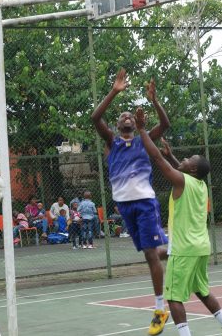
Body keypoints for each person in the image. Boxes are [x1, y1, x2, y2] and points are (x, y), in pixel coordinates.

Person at [134, 108, 222, 336]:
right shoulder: (200, 185)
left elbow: (156, 158)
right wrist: (173, 156)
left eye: (187, 159)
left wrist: (142, 129)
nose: (182, 159)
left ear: (191, 168)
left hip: (184, 250)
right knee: (201, 291)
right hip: (201, 248)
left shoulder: (182, 182)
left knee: (173, 297)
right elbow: (180, 169)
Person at [91, 68, 171, 335]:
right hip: (124, 205)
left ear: (136, 123)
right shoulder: (111, 142)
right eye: (122, 116)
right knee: (154, 252)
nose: (126, 116)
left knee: (150, 254)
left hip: (145, 202)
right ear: (116, 125)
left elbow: (166, 125)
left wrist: (155, 101)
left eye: (130, 115)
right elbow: (95, 117)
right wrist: (114, 90)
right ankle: (177, 247)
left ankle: (160, 308)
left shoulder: (143, 141)